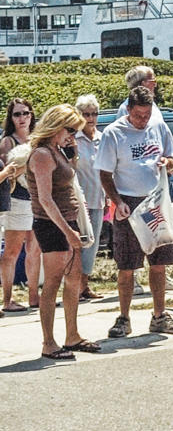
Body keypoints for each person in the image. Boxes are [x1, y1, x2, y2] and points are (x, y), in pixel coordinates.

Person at [96, 86, 173, 339]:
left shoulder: (158, 127)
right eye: (138, 115)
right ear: (128, 110)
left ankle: (159, 315)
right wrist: (116, 201)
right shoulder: (114, 133)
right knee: (127, 266)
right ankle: (123, 318)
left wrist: (168, 163)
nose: (142, 120)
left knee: (159, 263)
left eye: (146, 115)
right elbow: (104, 173)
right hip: (128, 203)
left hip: (155, 202)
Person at [26, 104, 101, 359]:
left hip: (69, 221)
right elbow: (46, 199)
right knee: (53, 283)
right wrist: (68, 231)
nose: (72, 135)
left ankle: (72, 335)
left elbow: (68, 180)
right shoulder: (42, 155)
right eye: (70, 130)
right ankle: (49, 342)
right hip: (52, 225)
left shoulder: (58, 151)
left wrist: (73, 155)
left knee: (74, 280)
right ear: (56, 125)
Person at [117, 64, 173, 291]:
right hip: (132, 192)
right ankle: (133, 278)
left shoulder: (156, 110)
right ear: (142, 83)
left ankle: (161, 274)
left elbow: (168, 150)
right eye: (152, 80)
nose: (156, 83)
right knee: (133, 239)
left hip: (159, 184)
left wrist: (167, 162)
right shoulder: (124, 112)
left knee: (160, 235)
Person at [0, 98, 41, 312]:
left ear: (32, 114)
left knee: (35, 250)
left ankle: (34, 296)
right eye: (17, 114)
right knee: (12, 252)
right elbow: (9, 173)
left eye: (25, 113)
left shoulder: (38, 138)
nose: (22, 118)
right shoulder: (8, 141)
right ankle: (7, 300)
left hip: (37, 199)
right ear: (11, 118)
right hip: (17, 200)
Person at [74, 94, 105, 300]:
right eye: (86, 114)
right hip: (78, 202)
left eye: (94, 113)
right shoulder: (72, 140)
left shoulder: (103, 138)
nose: (91, 118)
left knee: (92, 246)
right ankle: (75, 286)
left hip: (99, 198)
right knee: (78, 244)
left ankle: (84, 285)